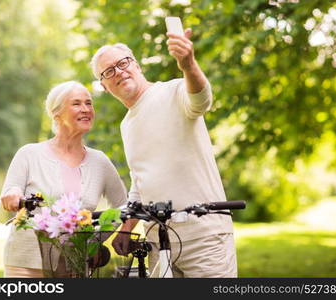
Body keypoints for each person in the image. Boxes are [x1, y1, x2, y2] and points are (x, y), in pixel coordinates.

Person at [90, 28, 237, 277]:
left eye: (123, 63)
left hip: (204, 236)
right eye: (109, 71)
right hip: (159, 241)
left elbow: (201, 100)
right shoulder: (127, 124)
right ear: (104, 85)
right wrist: (126, 228)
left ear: (136, 65)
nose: (119, 72)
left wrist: (188, 65)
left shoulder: (174, 91)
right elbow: (141, 183)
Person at [0, 81, 129, 277]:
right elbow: (1, 213)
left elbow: (123, 207)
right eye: (76, 104)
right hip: (27, 265)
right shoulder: (29, 154)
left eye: (89, 103)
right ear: (56, 113)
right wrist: (10, 197)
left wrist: (94, 240)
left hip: (76, 265)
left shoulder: (99, 161)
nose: (86, 109)